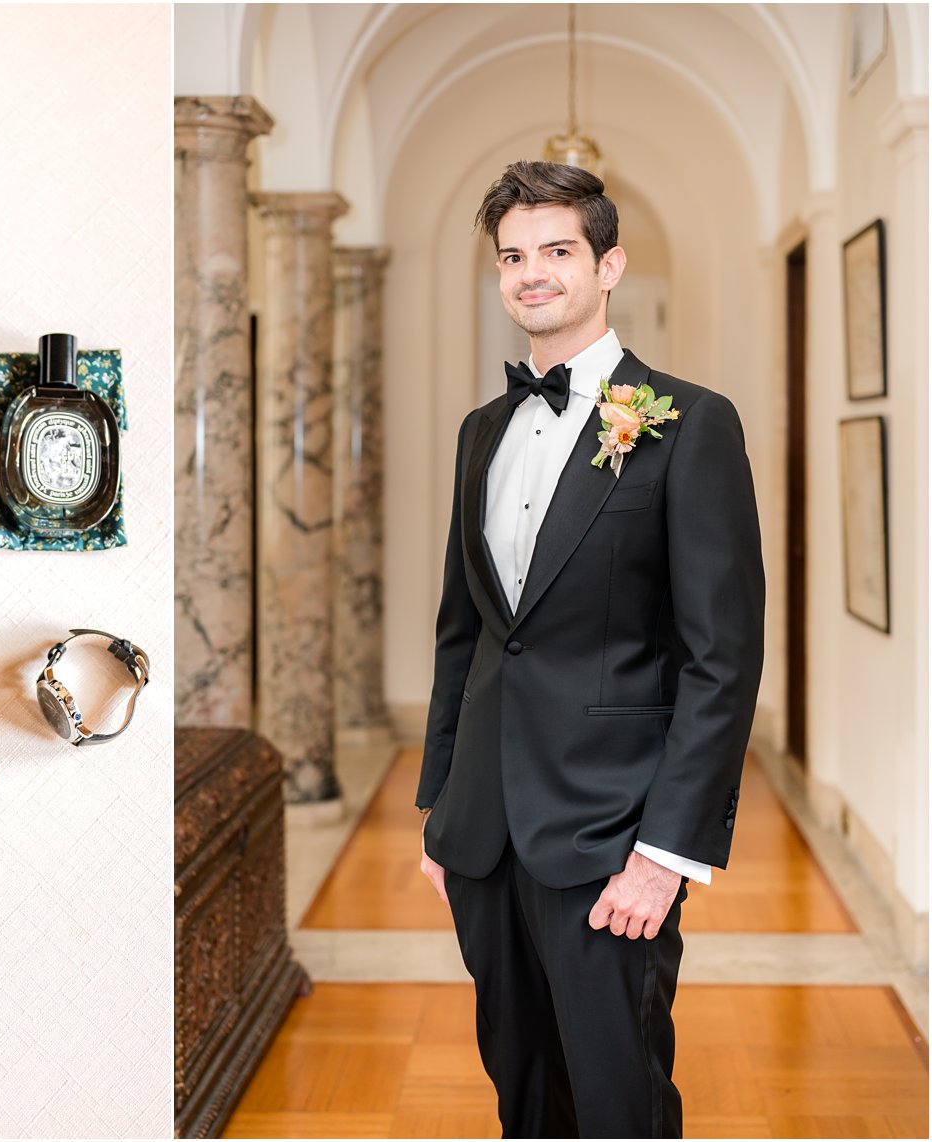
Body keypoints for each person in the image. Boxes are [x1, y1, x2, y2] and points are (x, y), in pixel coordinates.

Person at [416, 160, 764, 1138]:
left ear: (606, 265)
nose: (531, 273)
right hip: (482, 832)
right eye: (511, 256)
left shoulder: (688, 423)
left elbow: (720, 657)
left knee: (617, 1095)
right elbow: (465, 631)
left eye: (556, 251)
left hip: (610, 833)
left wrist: (665, 853)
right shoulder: (480, 431)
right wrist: (440, 802)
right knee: (522, 1090)